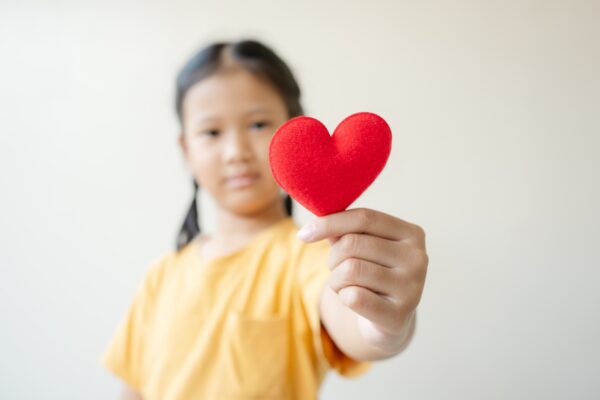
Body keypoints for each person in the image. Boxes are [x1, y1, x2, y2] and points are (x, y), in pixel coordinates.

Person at [101, 39, 429, 400]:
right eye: (211, 132)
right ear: (187, 151)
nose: (236, 152)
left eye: (258, 125)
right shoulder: (161, 277)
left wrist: (387, 323)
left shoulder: (309, 258)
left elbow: (361, 329)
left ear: (292, 134)